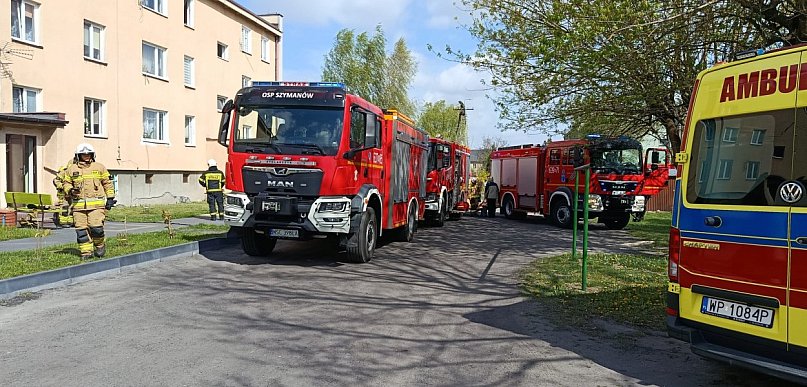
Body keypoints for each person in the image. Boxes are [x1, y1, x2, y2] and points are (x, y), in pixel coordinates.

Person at [62, 143, 116, 259]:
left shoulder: (99, 167)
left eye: (88, 154)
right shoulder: (71, 169)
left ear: (92, 154)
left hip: (96, 206)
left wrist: (110, 198)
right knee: (81, 232)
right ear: (78, 155)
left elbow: (107, 183)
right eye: (83, 154)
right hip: (78, 207)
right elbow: (66, 183)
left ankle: (100, 245)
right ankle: (86, 252)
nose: (86, 156)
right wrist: (70, 190)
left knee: (96, 229)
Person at [52, 159, 76, 228]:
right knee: (64, 208)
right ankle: (63, 222)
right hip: (63, 194)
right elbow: (56, 180)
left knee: (73, 207)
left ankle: (71, 222)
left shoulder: (77, 172)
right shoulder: (64, 172)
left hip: (72, 193)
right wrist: (62, 186)